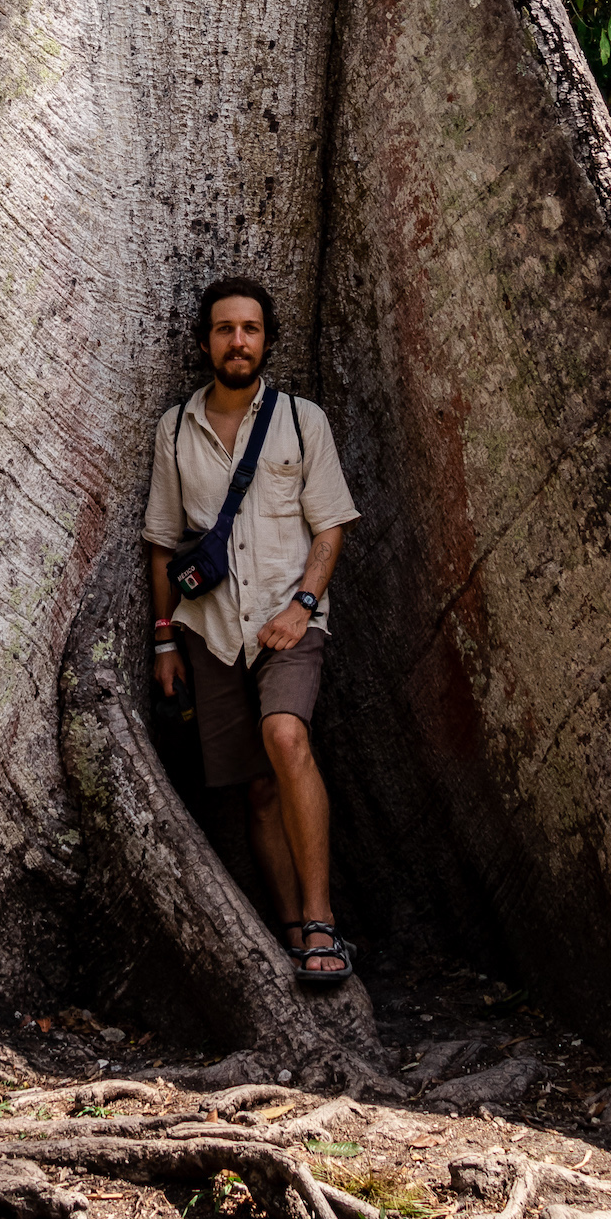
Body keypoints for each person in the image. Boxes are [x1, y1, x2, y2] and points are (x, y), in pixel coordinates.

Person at [143, 276, 359, 983]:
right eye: (226, 329)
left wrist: (301, 605)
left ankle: (325, 923)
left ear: (267, 339)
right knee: (256, 789)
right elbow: (162, 543)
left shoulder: (303, 421)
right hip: (209, 632)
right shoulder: (176, 430)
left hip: (289, 622)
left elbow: (329, 528)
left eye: (251, 329)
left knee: (285, 735)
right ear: (206, 340)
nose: (239, 341)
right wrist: (165, 638)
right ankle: (295, 933)